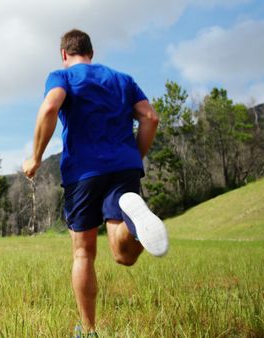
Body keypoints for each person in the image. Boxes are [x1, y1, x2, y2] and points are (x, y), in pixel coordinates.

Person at [22, 29, 168, 334]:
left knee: (83, 253)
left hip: (83, 172)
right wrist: (134, 156)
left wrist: (35, 157)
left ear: (64, 55)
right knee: (123, 254)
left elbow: (50, 106)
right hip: (123, 169)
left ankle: (88, 330)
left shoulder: (62, 77)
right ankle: (135, 222)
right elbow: (150, 117)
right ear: (92, 51)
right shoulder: (122, 79)